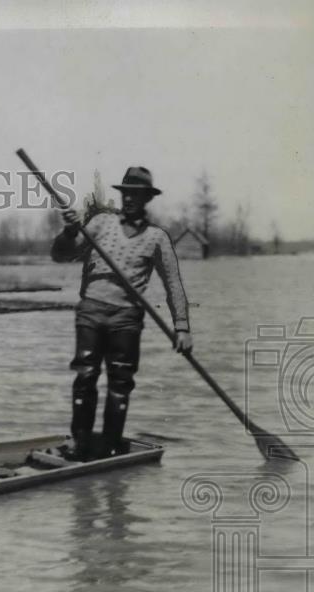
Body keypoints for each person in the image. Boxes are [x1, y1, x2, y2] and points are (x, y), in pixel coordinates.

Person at [51, 166, 193, 459]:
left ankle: (112, 448)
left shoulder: (158, 238)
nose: (129, 199)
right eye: (126, 193)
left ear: (146, 199)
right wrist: (68, 231)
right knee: (86, 375)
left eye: (136, 195)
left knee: (120, 382)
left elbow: (174, 284)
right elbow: (60, 255)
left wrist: (181, 327)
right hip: (90, 311)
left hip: (127, 319)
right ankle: (80, 444)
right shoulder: (100, 223)